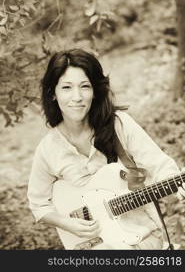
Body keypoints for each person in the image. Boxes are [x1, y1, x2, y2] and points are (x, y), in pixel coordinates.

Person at [27, 48, 185, 250]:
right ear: (53, 94)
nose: (77, 97)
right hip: (91, 244)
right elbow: (38, 205)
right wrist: (69, 224)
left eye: (85, 86)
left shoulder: (119, 125)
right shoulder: (48, 149)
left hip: (142, 236)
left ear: (95, 92)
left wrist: (176, 184)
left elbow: (160, 166)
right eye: (66, 87)